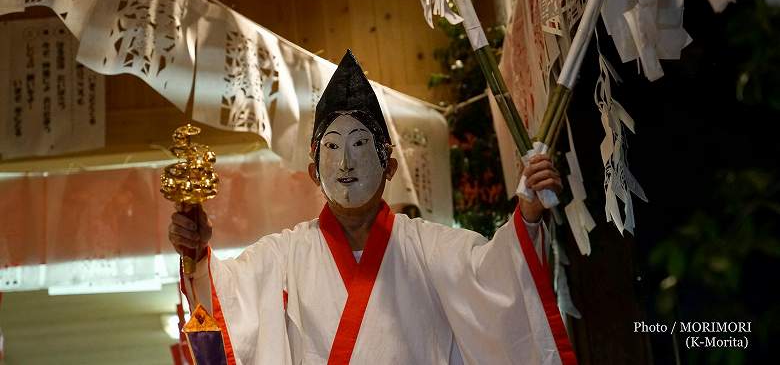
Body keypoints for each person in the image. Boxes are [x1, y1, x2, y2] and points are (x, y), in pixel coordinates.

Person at [169, 50, 576, 365]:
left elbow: (495, 282)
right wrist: (196, 256)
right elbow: (228, 304)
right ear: (314, 173)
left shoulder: (428, 248)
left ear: (390, 167)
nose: (345, 164)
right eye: (332, 149)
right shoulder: (284, 254)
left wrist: (528, 212)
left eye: (361, 145)